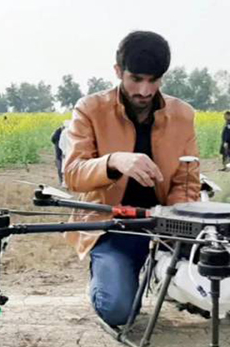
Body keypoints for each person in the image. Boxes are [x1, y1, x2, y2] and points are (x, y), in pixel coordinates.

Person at [63, 31, 200, 327]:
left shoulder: (183, 115)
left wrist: (176, 224)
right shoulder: (90, 109)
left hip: (165, 226)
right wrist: (114, 161)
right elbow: (73, 174)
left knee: (218, 287)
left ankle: (160, 273)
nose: (145, 90)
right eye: (136, 79)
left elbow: (187, 181)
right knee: (118, 311)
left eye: (153, 80)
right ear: (118, 71)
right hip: (112, 226)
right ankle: (107, 277)